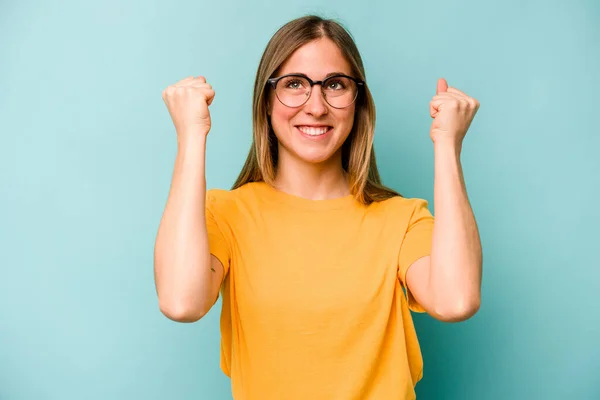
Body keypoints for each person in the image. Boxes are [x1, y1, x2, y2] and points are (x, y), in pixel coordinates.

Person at [154, 14, 482, 400]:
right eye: (295, 84)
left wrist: (447, 145)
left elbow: (456, 300)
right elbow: (181, 302)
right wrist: (191, 135)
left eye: (335, 85)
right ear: (266, 101)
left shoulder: (402, 219)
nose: (316, 106)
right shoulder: (227, 215)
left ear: (358, 103)